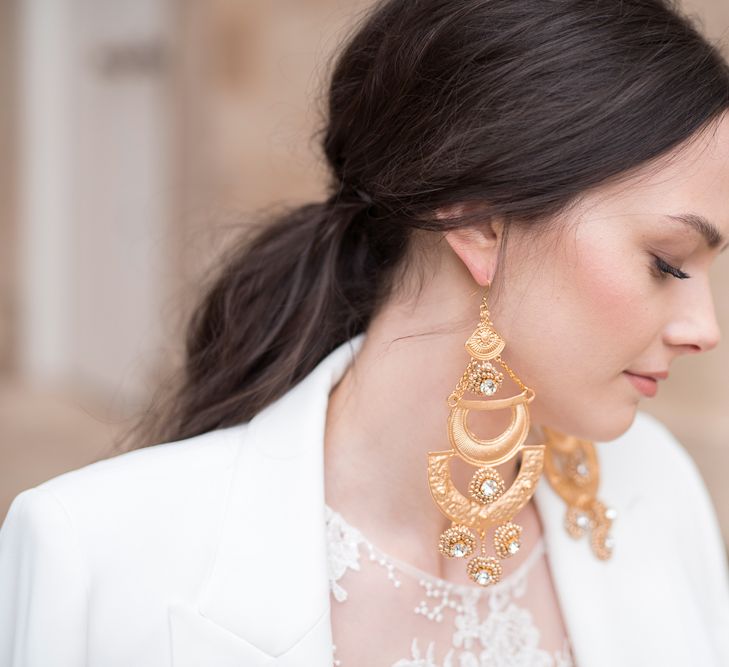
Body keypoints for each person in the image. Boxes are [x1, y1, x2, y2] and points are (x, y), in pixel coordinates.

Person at [2, 0, 729, 665]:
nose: (705, 328)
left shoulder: (656, 489)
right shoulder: (94, 554)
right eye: (665, 263)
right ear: (478, 223)